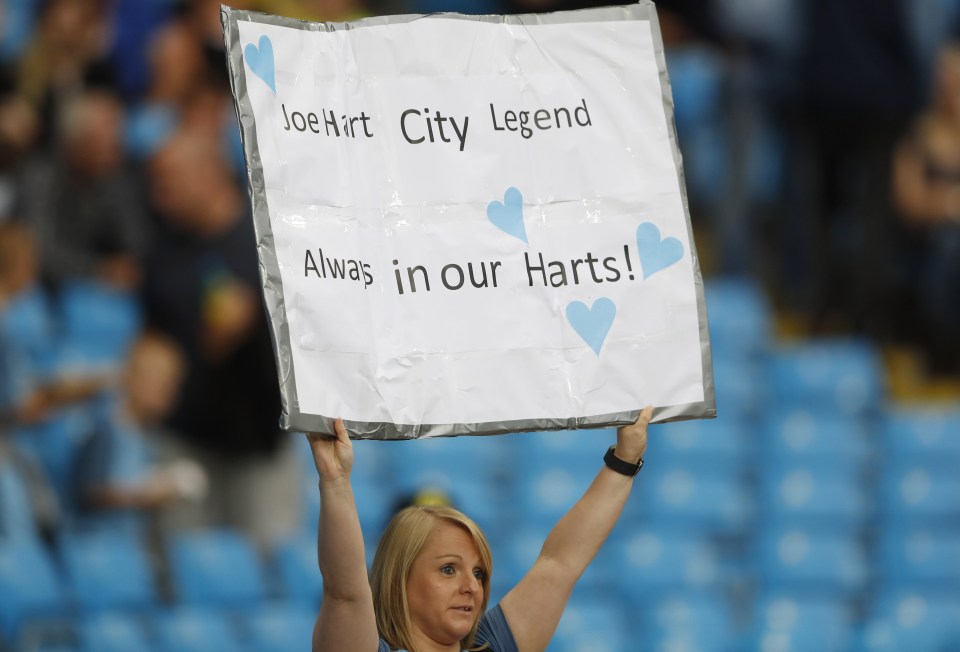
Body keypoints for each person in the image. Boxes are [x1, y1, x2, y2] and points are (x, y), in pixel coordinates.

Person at [305, 407, 652, 652]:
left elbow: (561, 564)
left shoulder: (494, 645)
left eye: (479, 573)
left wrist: (624, 461)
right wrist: (335, 482)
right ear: (399, 576)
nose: (472, 587)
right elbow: (345, 592)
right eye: (447, 569)